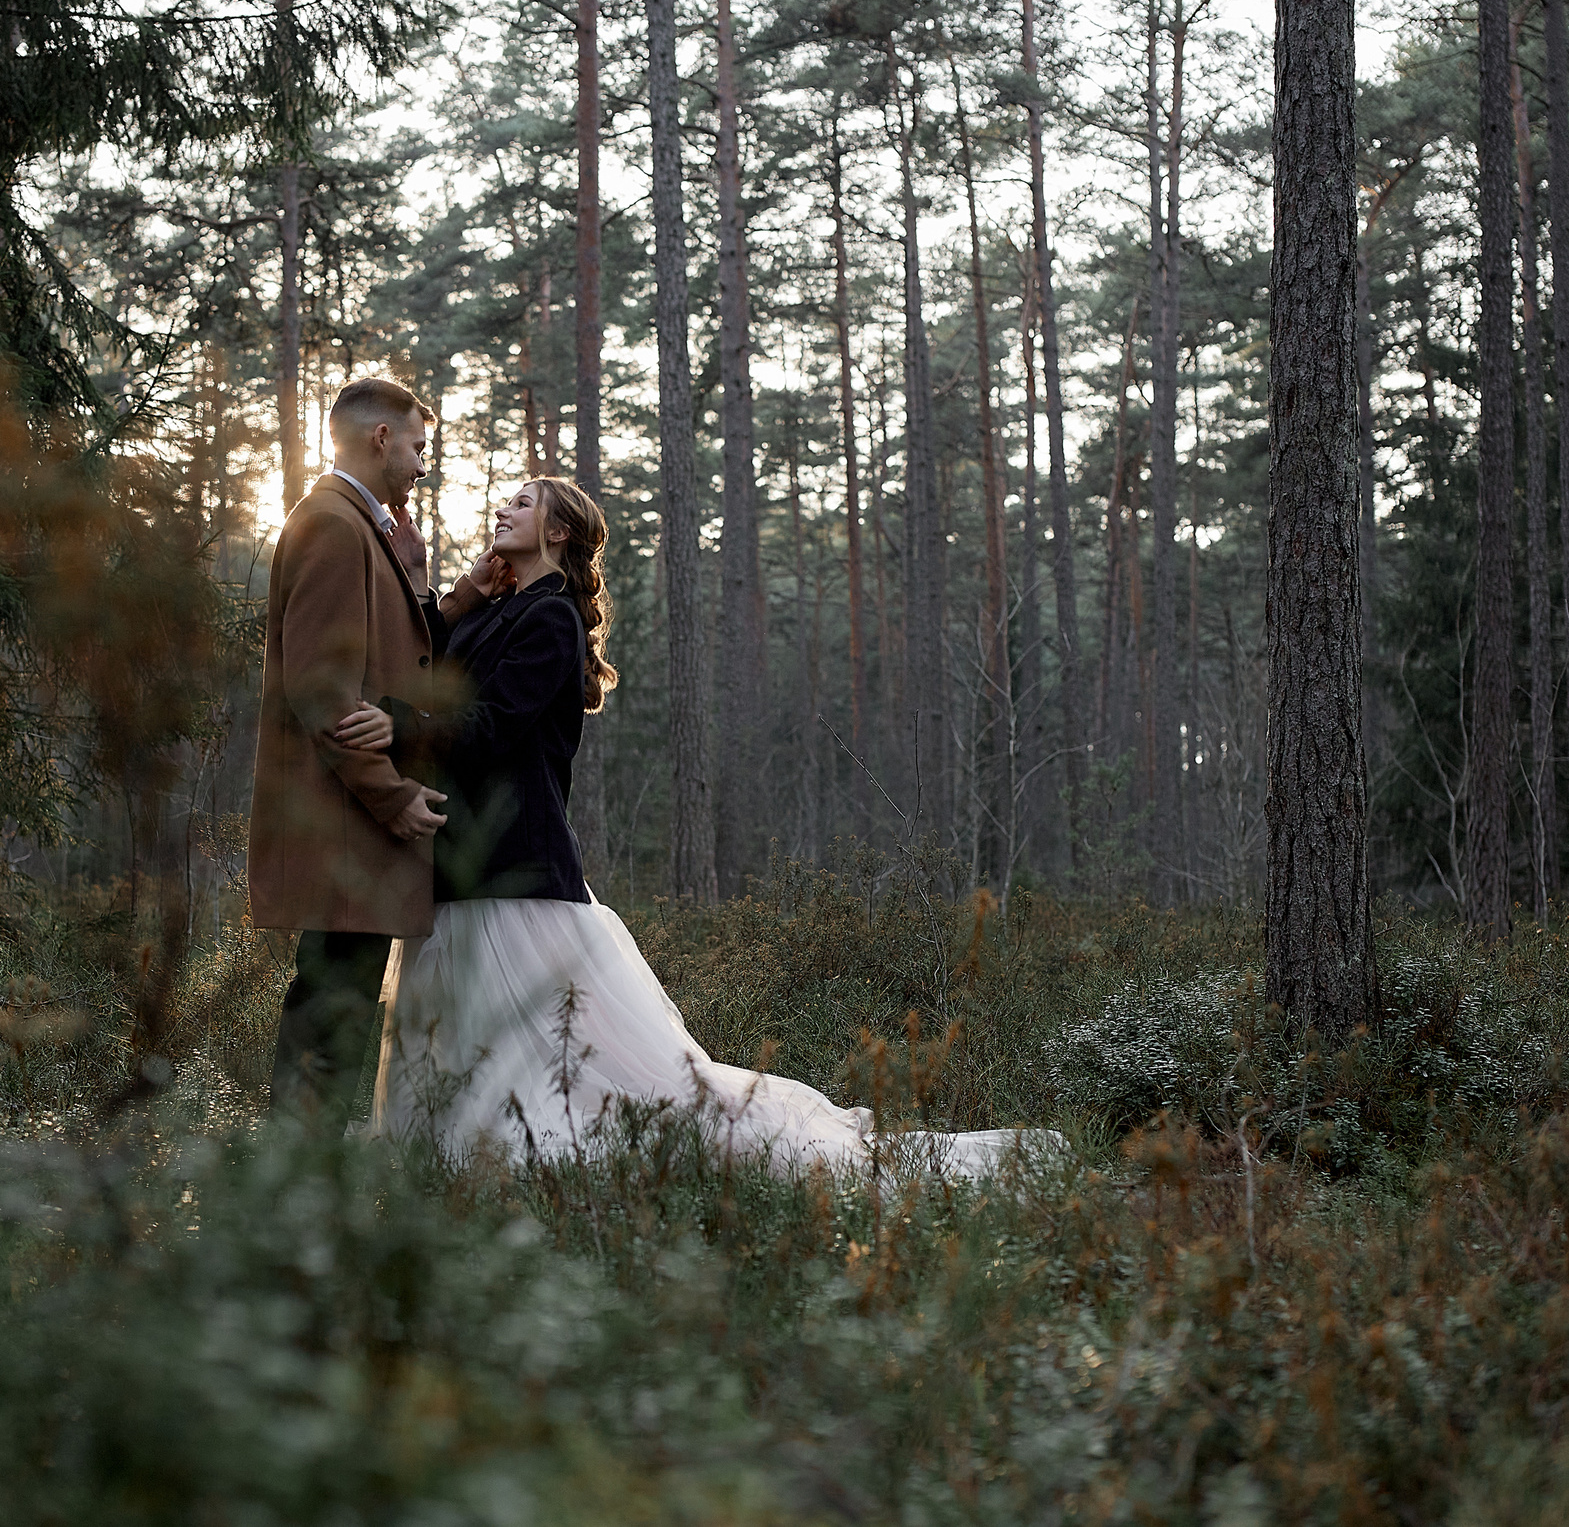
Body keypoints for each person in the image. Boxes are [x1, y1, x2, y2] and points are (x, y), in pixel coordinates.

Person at [335, 477, 1055, 1178]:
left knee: (556, 1055)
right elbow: (434, 664)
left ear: (557, 531)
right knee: (471, 1041)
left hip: (518, 866)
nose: (503, 507)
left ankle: (525, 1159)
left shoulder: (550, 617)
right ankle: (456, 1163)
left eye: (523, 502)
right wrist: (429, 578)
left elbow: (490, 728)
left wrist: (396, 725)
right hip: (460, 857)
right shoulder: (499, 606)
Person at [249, 378, 451, 1120]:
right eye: (418, 446)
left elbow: (395, 655)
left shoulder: (360, 526)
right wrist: (392, 795)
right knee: (328, 1017)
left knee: (336, 1011)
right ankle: (297, 1199)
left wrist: (432, 587)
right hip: (342, 826)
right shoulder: (333, 525)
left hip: (348, 828)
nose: (422, 465)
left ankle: (303, 1192)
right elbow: (323, 688)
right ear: (380, 439)